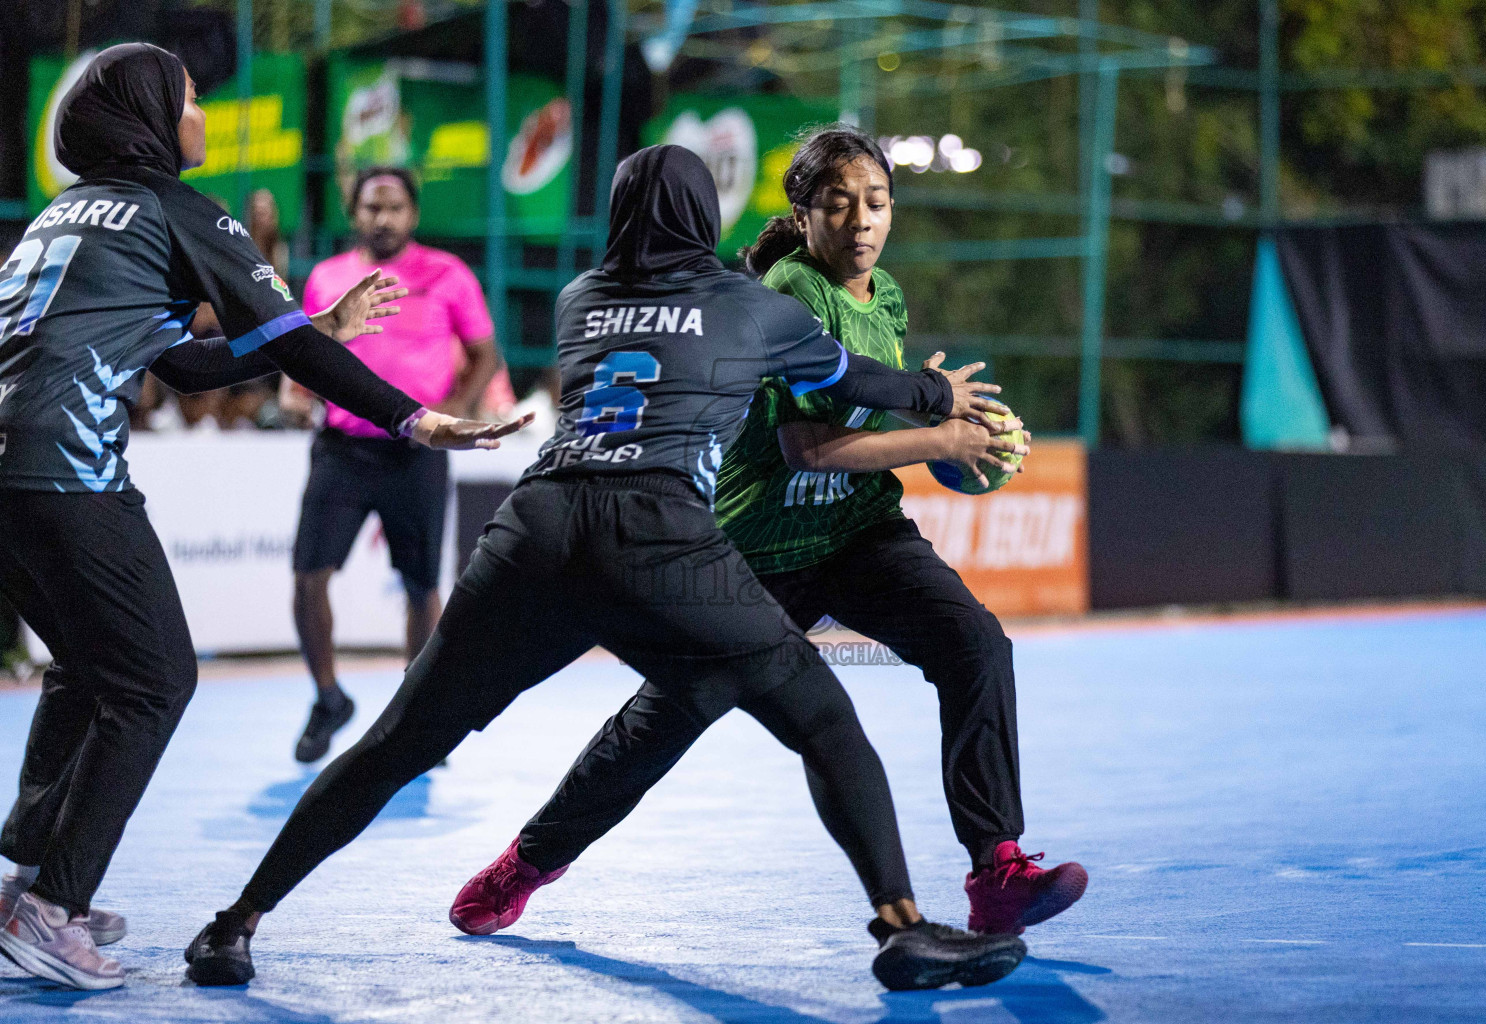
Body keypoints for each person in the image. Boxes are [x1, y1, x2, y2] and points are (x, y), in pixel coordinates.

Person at [185, 144, 1027, 993]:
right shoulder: (750, 307)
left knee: (396, 742)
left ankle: (234, 924)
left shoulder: (579, 299)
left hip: (534, 530)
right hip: (658, 537)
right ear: (704, 215)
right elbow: (865, 382)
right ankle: (903, 929)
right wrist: (938, 397)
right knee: (824, 720)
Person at [456, 126, 1089, 940]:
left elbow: (856, 407)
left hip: (858, 530)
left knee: (974, 643)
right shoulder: (790, 292)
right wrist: (942, 441)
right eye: (839, 204)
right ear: (804, 212)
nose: (861, 221)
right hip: (758, 548)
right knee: (664, 720)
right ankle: (529, 860)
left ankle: (996, 866)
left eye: (877, 202)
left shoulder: (883, 295)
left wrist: (935, 402)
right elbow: (806, 446)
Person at [0, 44, 521, 990]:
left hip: (9, 470)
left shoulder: (66, 213)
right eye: (192, 99)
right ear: (150, 119)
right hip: (64, 464)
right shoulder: (177, 209)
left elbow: (188, 364)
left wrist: (309, 337)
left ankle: (27, 880)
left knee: (87, 665)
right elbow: (285, 349)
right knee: (156, 680)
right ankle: (50, 909)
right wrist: (412, 415)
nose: (203, 115)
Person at [280, 166, 503, 764]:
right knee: (308, 578)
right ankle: (328, 697)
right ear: (353, 213)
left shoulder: (448, 274)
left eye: (396, 207)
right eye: (373, 207)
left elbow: (484, 354)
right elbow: (302, 356)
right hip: (343, 448)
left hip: (416, 452)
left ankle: (417, 712)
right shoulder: (327, 278)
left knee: (422, 586)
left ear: (414, 213)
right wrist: (295, 393)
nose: (384, 218)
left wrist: (452, 412)